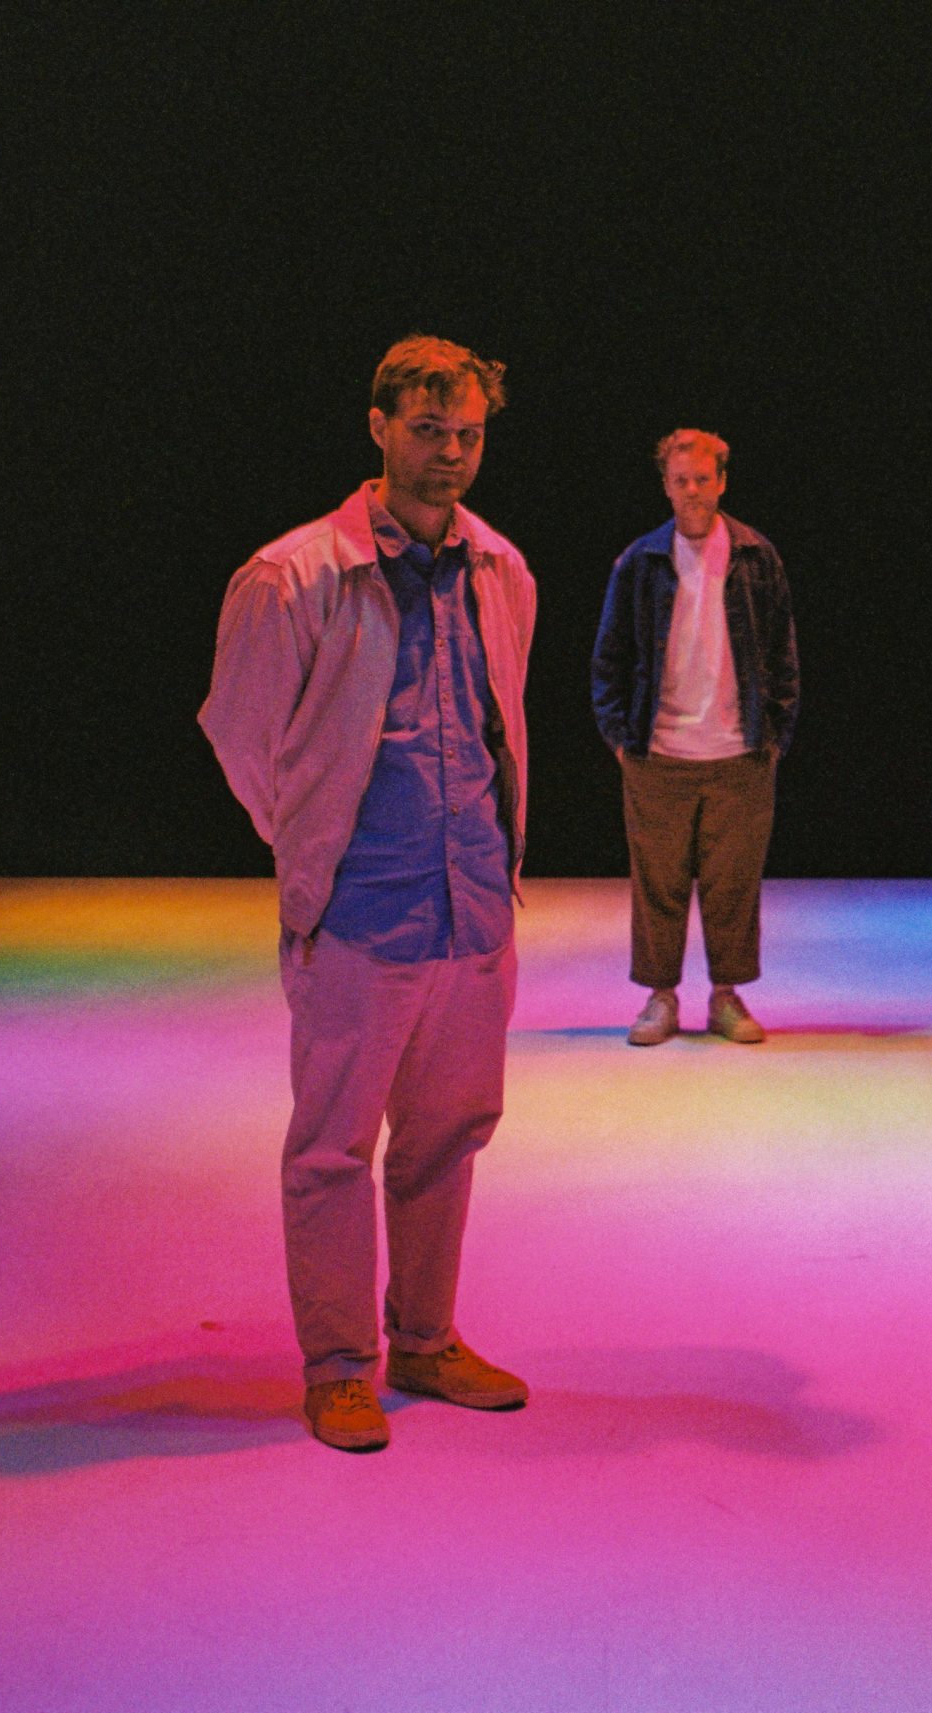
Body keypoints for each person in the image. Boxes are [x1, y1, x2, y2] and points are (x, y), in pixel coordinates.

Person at [200, 335, 537, 1451]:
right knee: (334, 1148)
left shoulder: (501, 568)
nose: (451, 454)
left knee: (448, 1139)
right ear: (380, 427)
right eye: (429, 430)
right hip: (360, 912)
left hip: (470, 908)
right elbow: (244, 741)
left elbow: (498, 724)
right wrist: (318, 852)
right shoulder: (293, 575)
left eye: (469, 434)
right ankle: (340, 1365)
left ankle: (426, 1341)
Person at [591, 429, 799, 1046]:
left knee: (733, 883)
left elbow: (783, 654)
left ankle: (725, 997)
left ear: (722, 481)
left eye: (702, 479)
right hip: (659, 753)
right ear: (665, 485)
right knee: (659, 883)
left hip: (739, 750)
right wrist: (621, 739)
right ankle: (661, 998)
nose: (692, 491)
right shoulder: (640, 561)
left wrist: (774, 738)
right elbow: (609, 657)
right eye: (680, 480)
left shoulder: (756, 557)